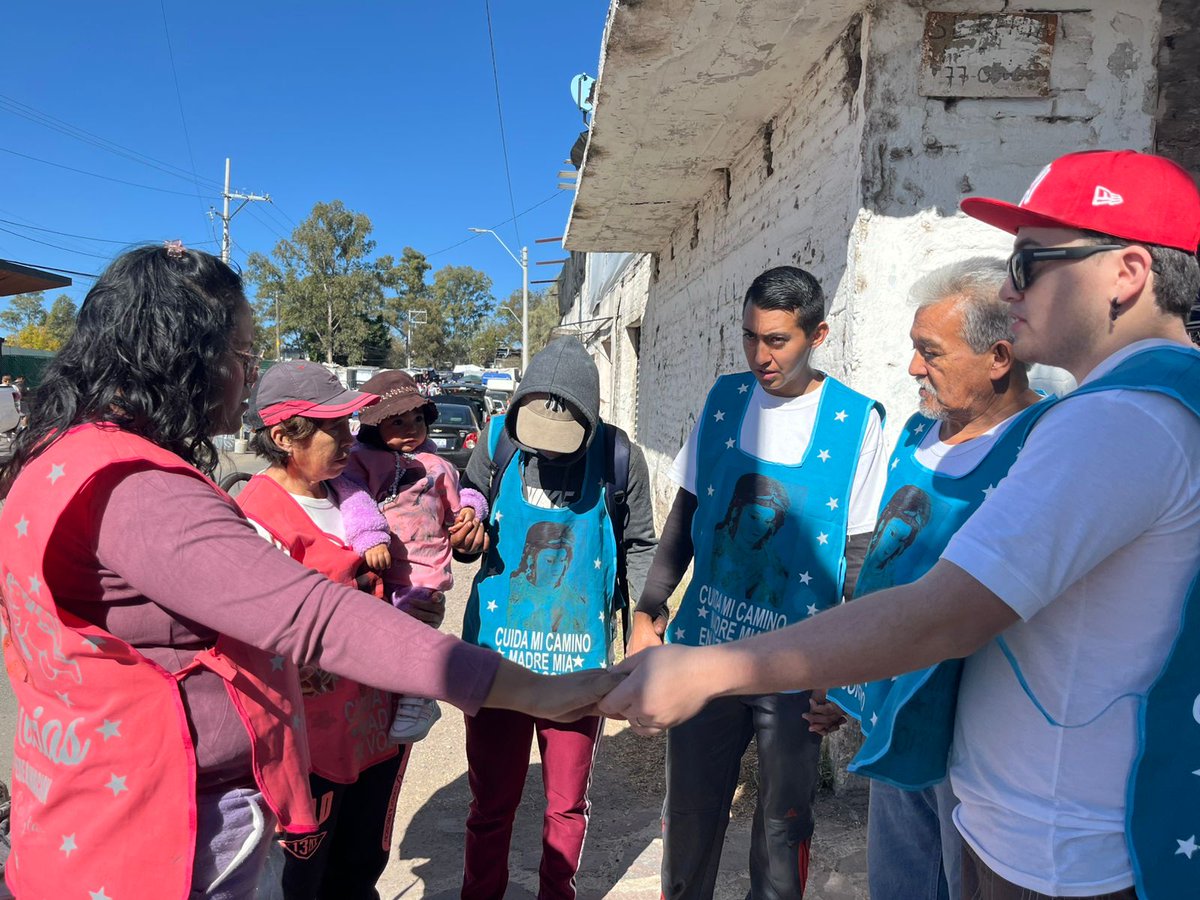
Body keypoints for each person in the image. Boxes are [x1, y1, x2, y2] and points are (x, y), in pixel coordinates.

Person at [603, 150, 1200, 900]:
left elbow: (941, 612)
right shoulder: (1143, 409)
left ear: (1128, 273)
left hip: (1056, 849)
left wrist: (709, 669)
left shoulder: (1116, 423)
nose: (1009, 288)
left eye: (1029, 262)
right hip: (1027, 816)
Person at [0, 244, 616, 900]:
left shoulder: (60, 460)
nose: (247, 376)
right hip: (154, 840)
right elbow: (315, 617)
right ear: (187, 358)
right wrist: (537, 693)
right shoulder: (139, 491)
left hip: (84, 807)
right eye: (242, 355)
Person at [627, 265, 887, 899]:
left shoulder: (855, 423)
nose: (760, 356)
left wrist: (846, 672)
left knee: (783, 825)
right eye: (749, 336)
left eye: (777, 340)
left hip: (798, 663)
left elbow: (857, 559)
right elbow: (686, 519)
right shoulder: (724, 402)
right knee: (689, 815)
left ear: (817, 335)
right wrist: (646, 615)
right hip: (706, 650)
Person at [826, 257, 1044, 900]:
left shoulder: (1043, 445)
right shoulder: (916, 434)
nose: (913, 368)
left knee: (963, 881)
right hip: (896, 713)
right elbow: (883, 571)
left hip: (975, 734)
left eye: (931, 352)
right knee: (900, 881)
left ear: (999, 357)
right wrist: (846, 683)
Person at [457, 335, 658, 900]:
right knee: (490, 804)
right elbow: (470, 507)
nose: (546, 455)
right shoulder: (497, 442)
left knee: (566, 806)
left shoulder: (620, 458)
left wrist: (645, 626)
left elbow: (641, 544)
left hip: (578, 667)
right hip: (496, 663)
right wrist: (465, 539)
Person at [235, 360, 431, 899]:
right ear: (283, 437)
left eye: (348, 425)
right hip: (307, 746)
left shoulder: (351, 495)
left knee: (360, 865)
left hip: (374, 728)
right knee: (303, 879)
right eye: (332, 429)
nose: (349, 439)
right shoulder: (255, 516)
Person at [342, 369, 488, 743]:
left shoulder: (437, 466)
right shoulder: (359, 462)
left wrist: (471, 512)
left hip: (424, 566)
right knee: (385, 635)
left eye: (418, 419)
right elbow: (352, 498)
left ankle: (418, 696)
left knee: (415, 625)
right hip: (378, 564)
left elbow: (460, 499)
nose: (411, 429)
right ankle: (411, 688)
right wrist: (369, 535)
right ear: (373, 425)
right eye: (398, 421)